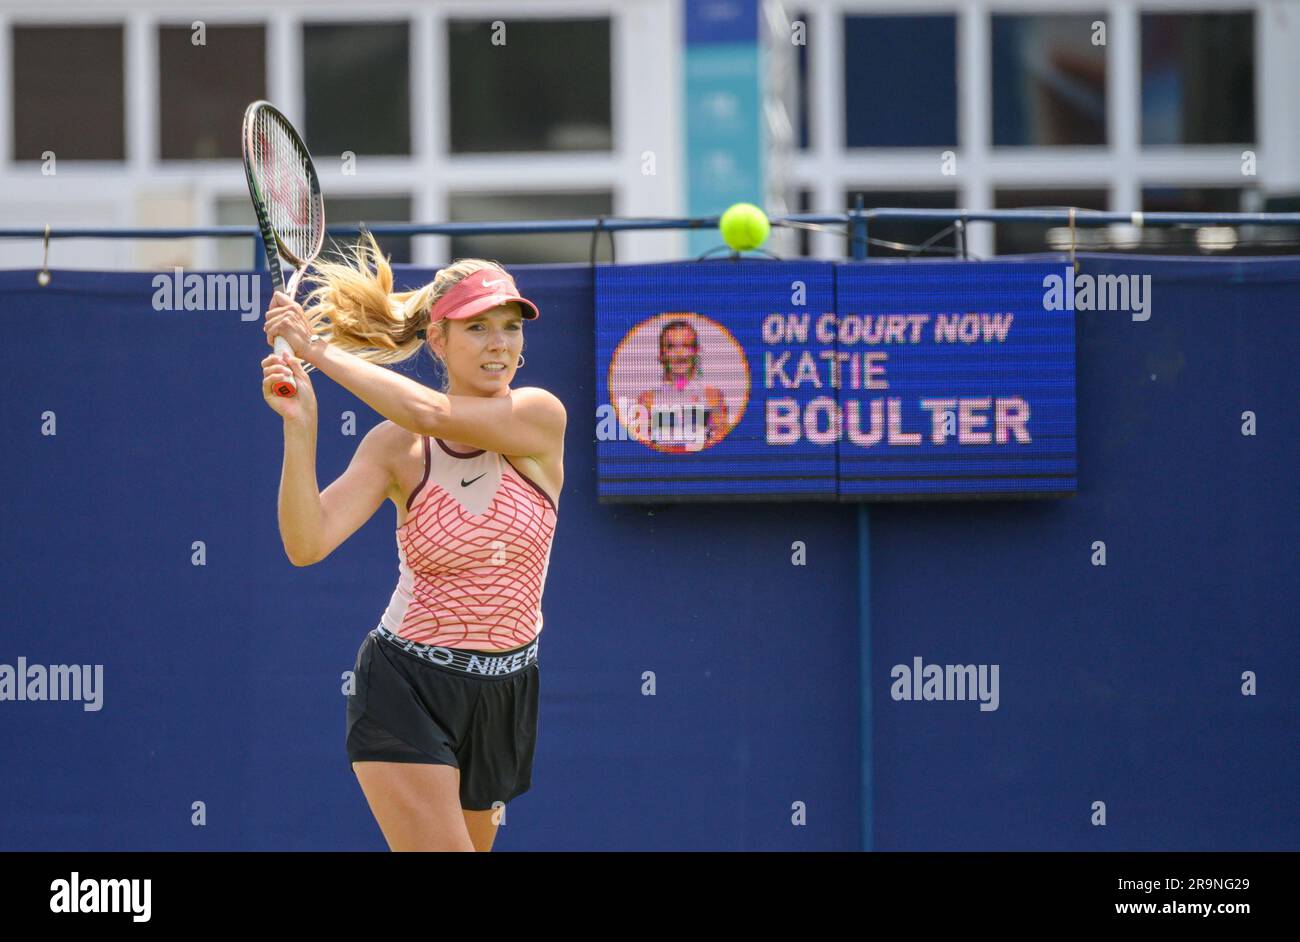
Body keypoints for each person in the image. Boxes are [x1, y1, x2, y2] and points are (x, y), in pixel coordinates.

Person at [259, 234, 565, 851]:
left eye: (510, 327)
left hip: (506, 694)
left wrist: (318, 349)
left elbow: (432, 413)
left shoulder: (538, 416)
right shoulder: (394, 447)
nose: (499, 343)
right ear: (440, 340)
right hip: (406, 687)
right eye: (478, 327)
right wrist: (301, 429)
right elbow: (306, 542)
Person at [631, 318, 730, 452]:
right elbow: (641, 447)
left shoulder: (712, 397)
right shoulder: (647, 400)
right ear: (661, 355)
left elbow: (722, 443)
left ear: (696, 352)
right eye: (672, 347)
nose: (680, 354)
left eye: (686, 346)